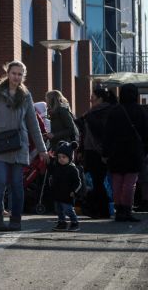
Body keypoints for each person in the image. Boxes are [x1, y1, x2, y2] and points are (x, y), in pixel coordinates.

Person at [0, 61, 48, 232]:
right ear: (7, 73)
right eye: (14, 73)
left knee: (17, 185)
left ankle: (15, 220)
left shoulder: (26, 95)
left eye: (20, 74)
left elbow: (33, 124)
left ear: (23, 76)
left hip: (19, 146)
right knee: (0, 182)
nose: (16, 77)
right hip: (0, 146)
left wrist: (42, 149)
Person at [103, 83, 148, 222]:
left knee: (117, 181)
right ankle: (127, 210)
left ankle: (118, 210)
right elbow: (146, 133)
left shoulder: (115, 111)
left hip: (116, 152)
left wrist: (105, 152)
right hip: (134, 151)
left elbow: (107, 134)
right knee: (130, 182)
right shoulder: (140, 111)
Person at [76, 87, 116, 219]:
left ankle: (103, 210)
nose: (90, 98)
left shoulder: (99, 112)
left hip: (97, 152)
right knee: (98, 181)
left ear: (100, 98)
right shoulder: (95, 112)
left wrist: (87, 119)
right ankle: (102, 209)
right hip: (95, 151)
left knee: (98, 182)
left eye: (92, 95)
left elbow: (101, 132)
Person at [49, 141, 82, 232]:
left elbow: (78, 182)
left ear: (69, 157)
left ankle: (74, 222)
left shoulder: (72, 169)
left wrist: (74, 191)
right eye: (59, 157)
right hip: (58, 194)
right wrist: (50, 159)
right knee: (59, 210)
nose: (61, 159)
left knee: (68, 210)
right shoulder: (57, 166)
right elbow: (51, 171)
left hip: (68, 194)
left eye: (64, 157)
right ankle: (62, 222)